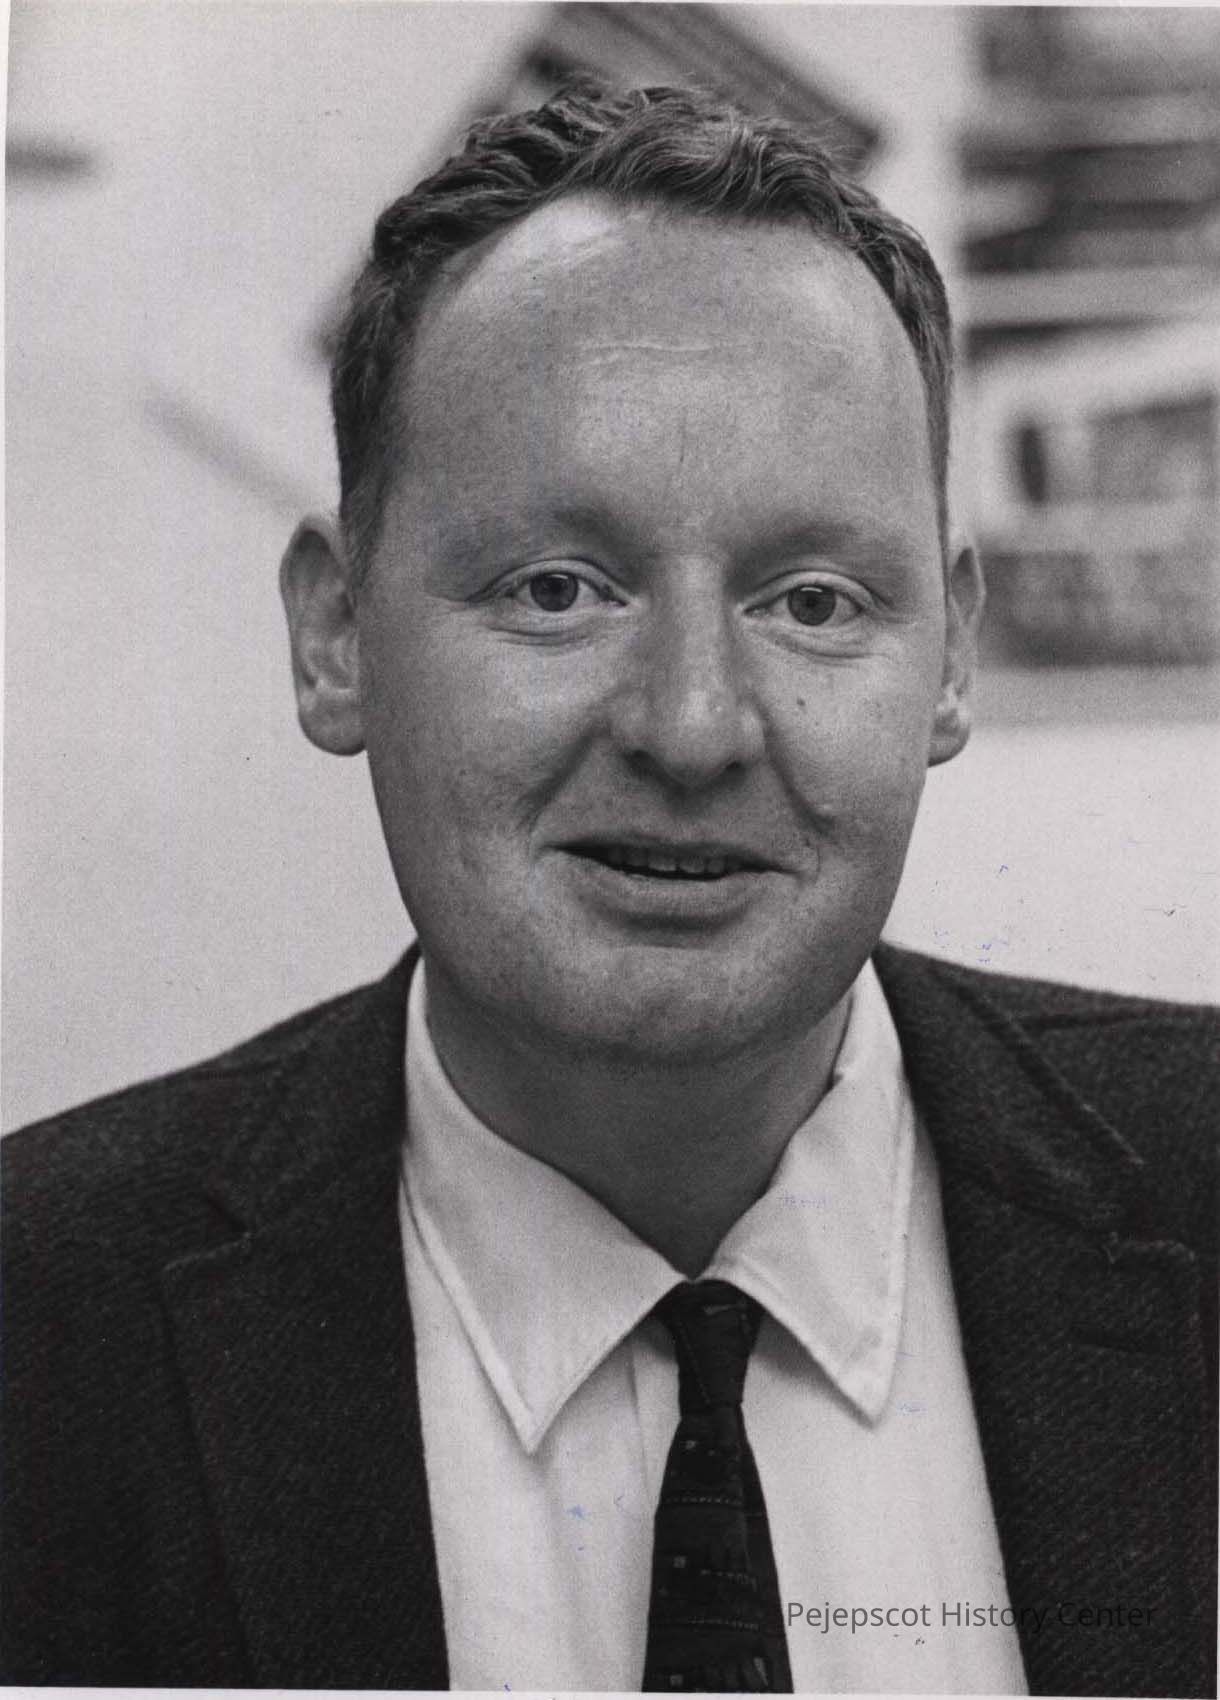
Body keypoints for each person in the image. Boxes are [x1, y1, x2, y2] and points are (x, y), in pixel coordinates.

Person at [3, 84, 1215, 1698]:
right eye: (558, 588)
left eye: (813, 601)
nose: (693, 725)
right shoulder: (37, 1331)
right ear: (336, 635)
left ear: (951, 657)